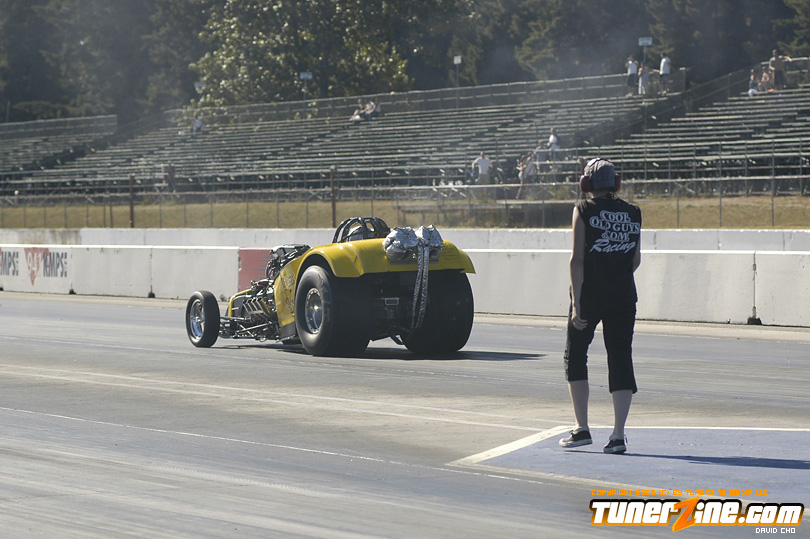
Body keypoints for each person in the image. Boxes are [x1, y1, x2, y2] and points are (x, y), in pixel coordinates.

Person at [559, 157, 642, 455]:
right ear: (616, 183)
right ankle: (618, 435)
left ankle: (582, 428)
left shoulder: (583, 209)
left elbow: (577, 259)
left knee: (575, 355)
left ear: (586, 184)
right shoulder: (634, 212)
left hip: (590, 294)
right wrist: (615, 274)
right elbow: (635, 259)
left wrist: (576, 304)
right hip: (623, 296)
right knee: (620, 359)